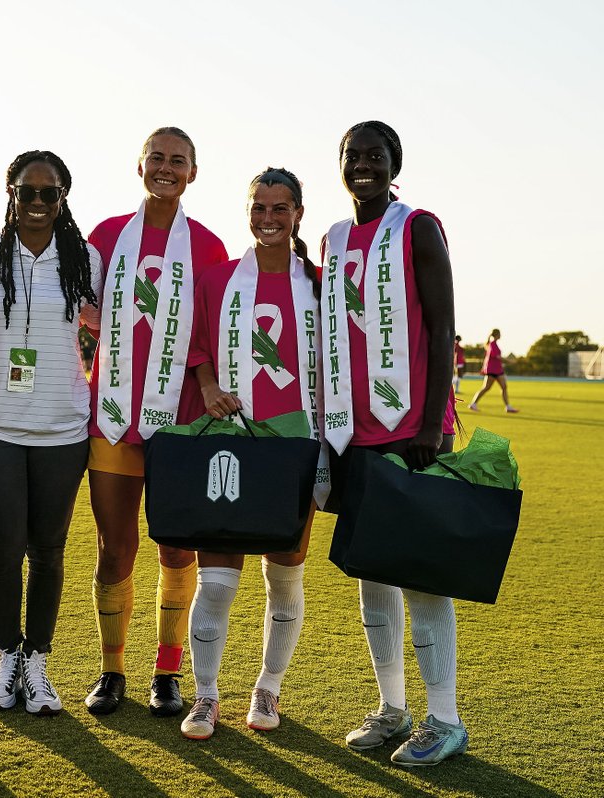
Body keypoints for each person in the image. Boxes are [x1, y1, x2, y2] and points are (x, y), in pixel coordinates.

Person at [320, 121, 468, 766]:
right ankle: (392, 708)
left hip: (410, 430)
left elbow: (441, 331)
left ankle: (446, 718)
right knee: (371, 570)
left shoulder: (418, 226)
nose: (363, 165)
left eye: (375, 157)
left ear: (393, 165)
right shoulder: (334, 239)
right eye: (353, 156)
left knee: (421, 577)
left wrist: (433, 425)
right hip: (352, 432)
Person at [84, 127, 229, 717]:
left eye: (178, 161)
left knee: (175, 549)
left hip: (180, 421)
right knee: (114, 549)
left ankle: (166, 672)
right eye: (156, 159)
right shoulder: (105, 236)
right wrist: (96, 321)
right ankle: (112, 670)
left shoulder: (210, 246)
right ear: (138, 166)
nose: (166, 168)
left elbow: (214, 331)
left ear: (193, 172)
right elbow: (76, 305)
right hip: (113, 416)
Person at [180, 168, 327, 740]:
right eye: (259, 208)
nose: (268, 219)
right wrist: (211, 386)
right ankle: (206, 695)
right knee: (215, 582)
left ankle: (268, 686)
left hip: (293, 448)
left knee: (283, 579)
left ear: (297, 214)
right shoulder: (217, 280)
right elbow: (195, 348)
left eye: (280, 208)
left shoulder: (317, 284)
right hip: (228, 444)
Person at [0, 151, 102, 715]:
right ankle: (5, 660)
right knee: (3, 554)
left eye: (51, 194)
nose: (39, 204)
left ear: (64, 198)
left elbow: (107, 325)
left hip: (62, 429)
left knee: (48, 552)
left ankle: (38, 662)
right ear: (11, 193)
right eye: (29, 192)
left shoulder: (86, 257)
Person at [468, 329, 518, 412]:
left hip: (497, 370)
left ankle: (508, 407)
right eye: (499, 334)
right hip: (492, 370)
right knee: (486, 388)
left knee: (504, 387)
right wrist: (509, 361)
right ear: (496, 334)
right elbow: (497, 357)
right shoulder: (492, 344)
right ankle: (473, 404)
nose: (500, 335)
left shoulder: (494, 344)